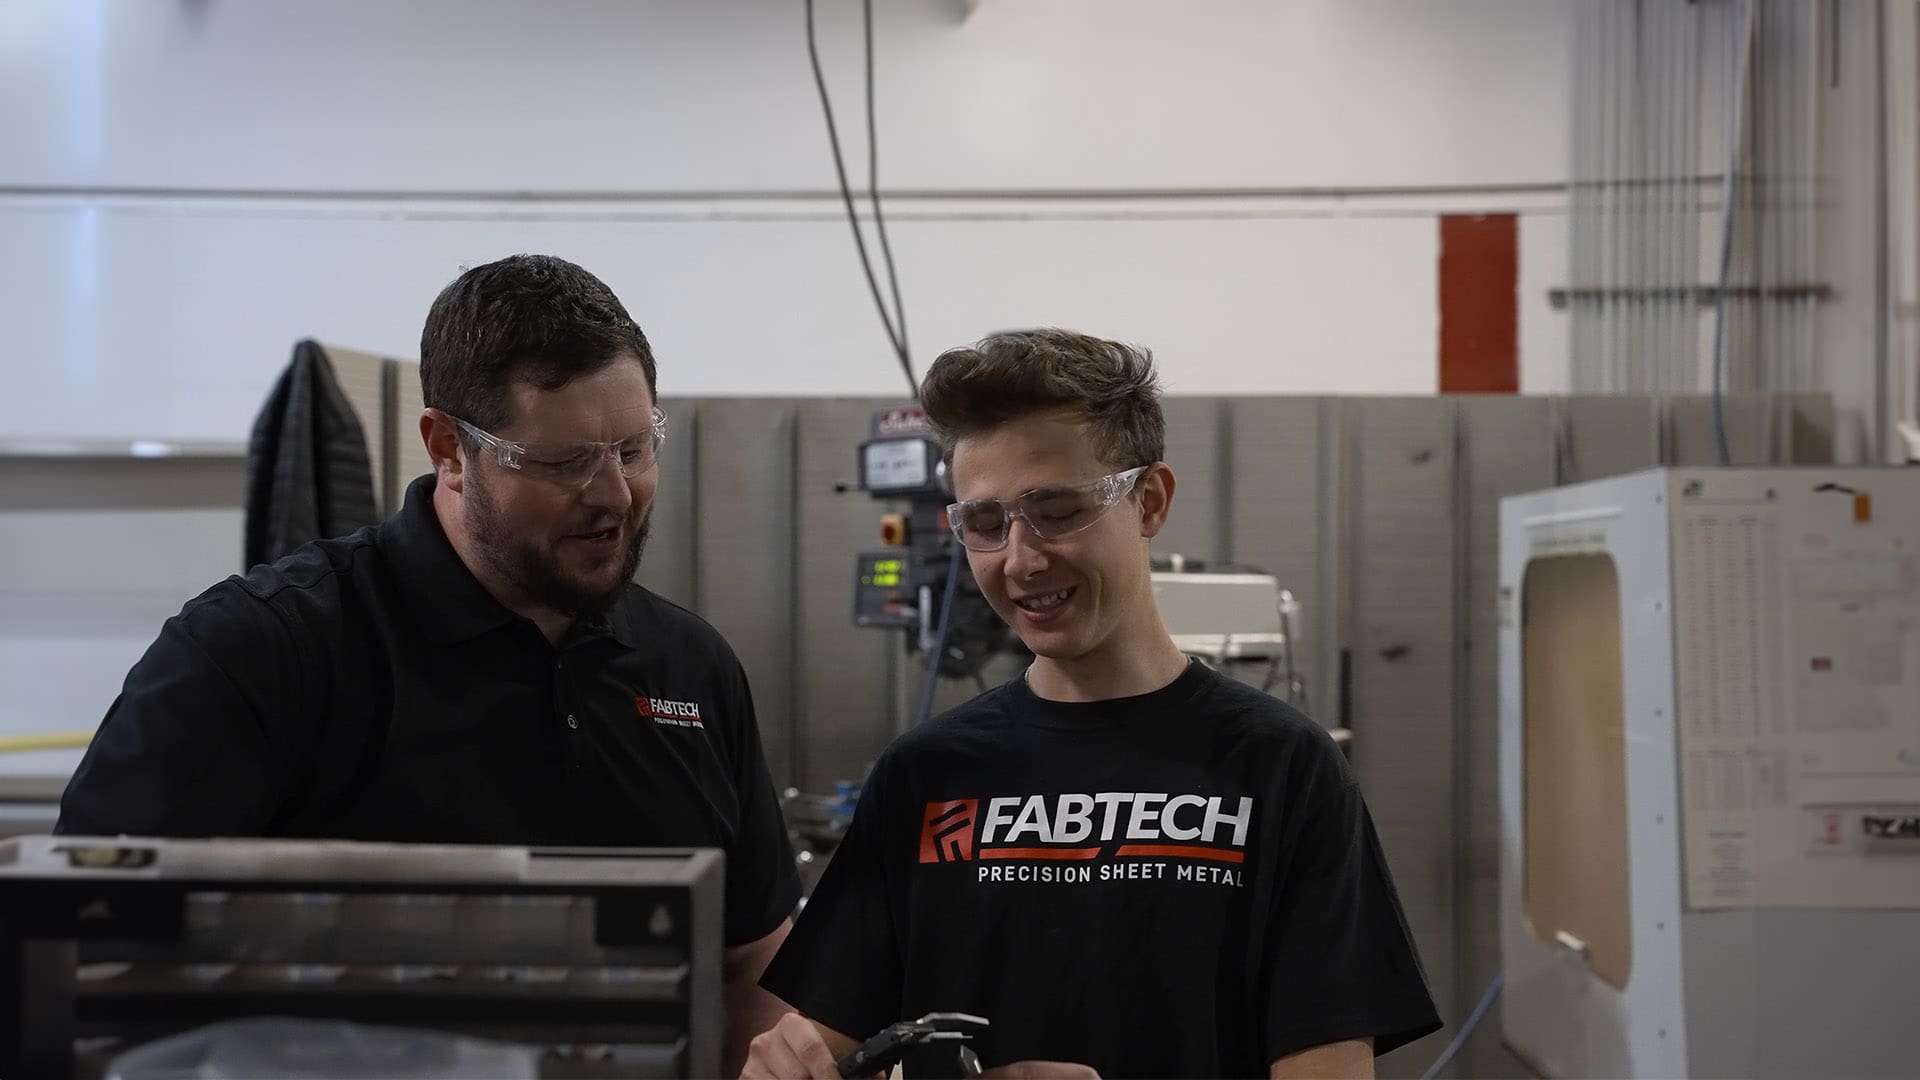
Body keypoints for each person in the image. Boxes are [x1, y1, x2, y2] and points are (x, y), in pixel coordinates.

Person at [56, 254, 800, 1072]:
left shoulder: (689, 669)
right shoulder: (258, 653)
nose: (614, 494)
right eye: (560, 462)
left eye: (633, 448)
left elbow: (750, 962)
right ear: (448, 447)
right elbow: (87, 961)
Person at [746, 330, 1440, 1079]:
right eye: (985, 524)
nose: (1020, 558)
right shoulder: (925, 776)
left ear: (1149, 501)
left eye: (1058, 509)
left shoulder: (1281, 768)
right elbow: (818, 1048)